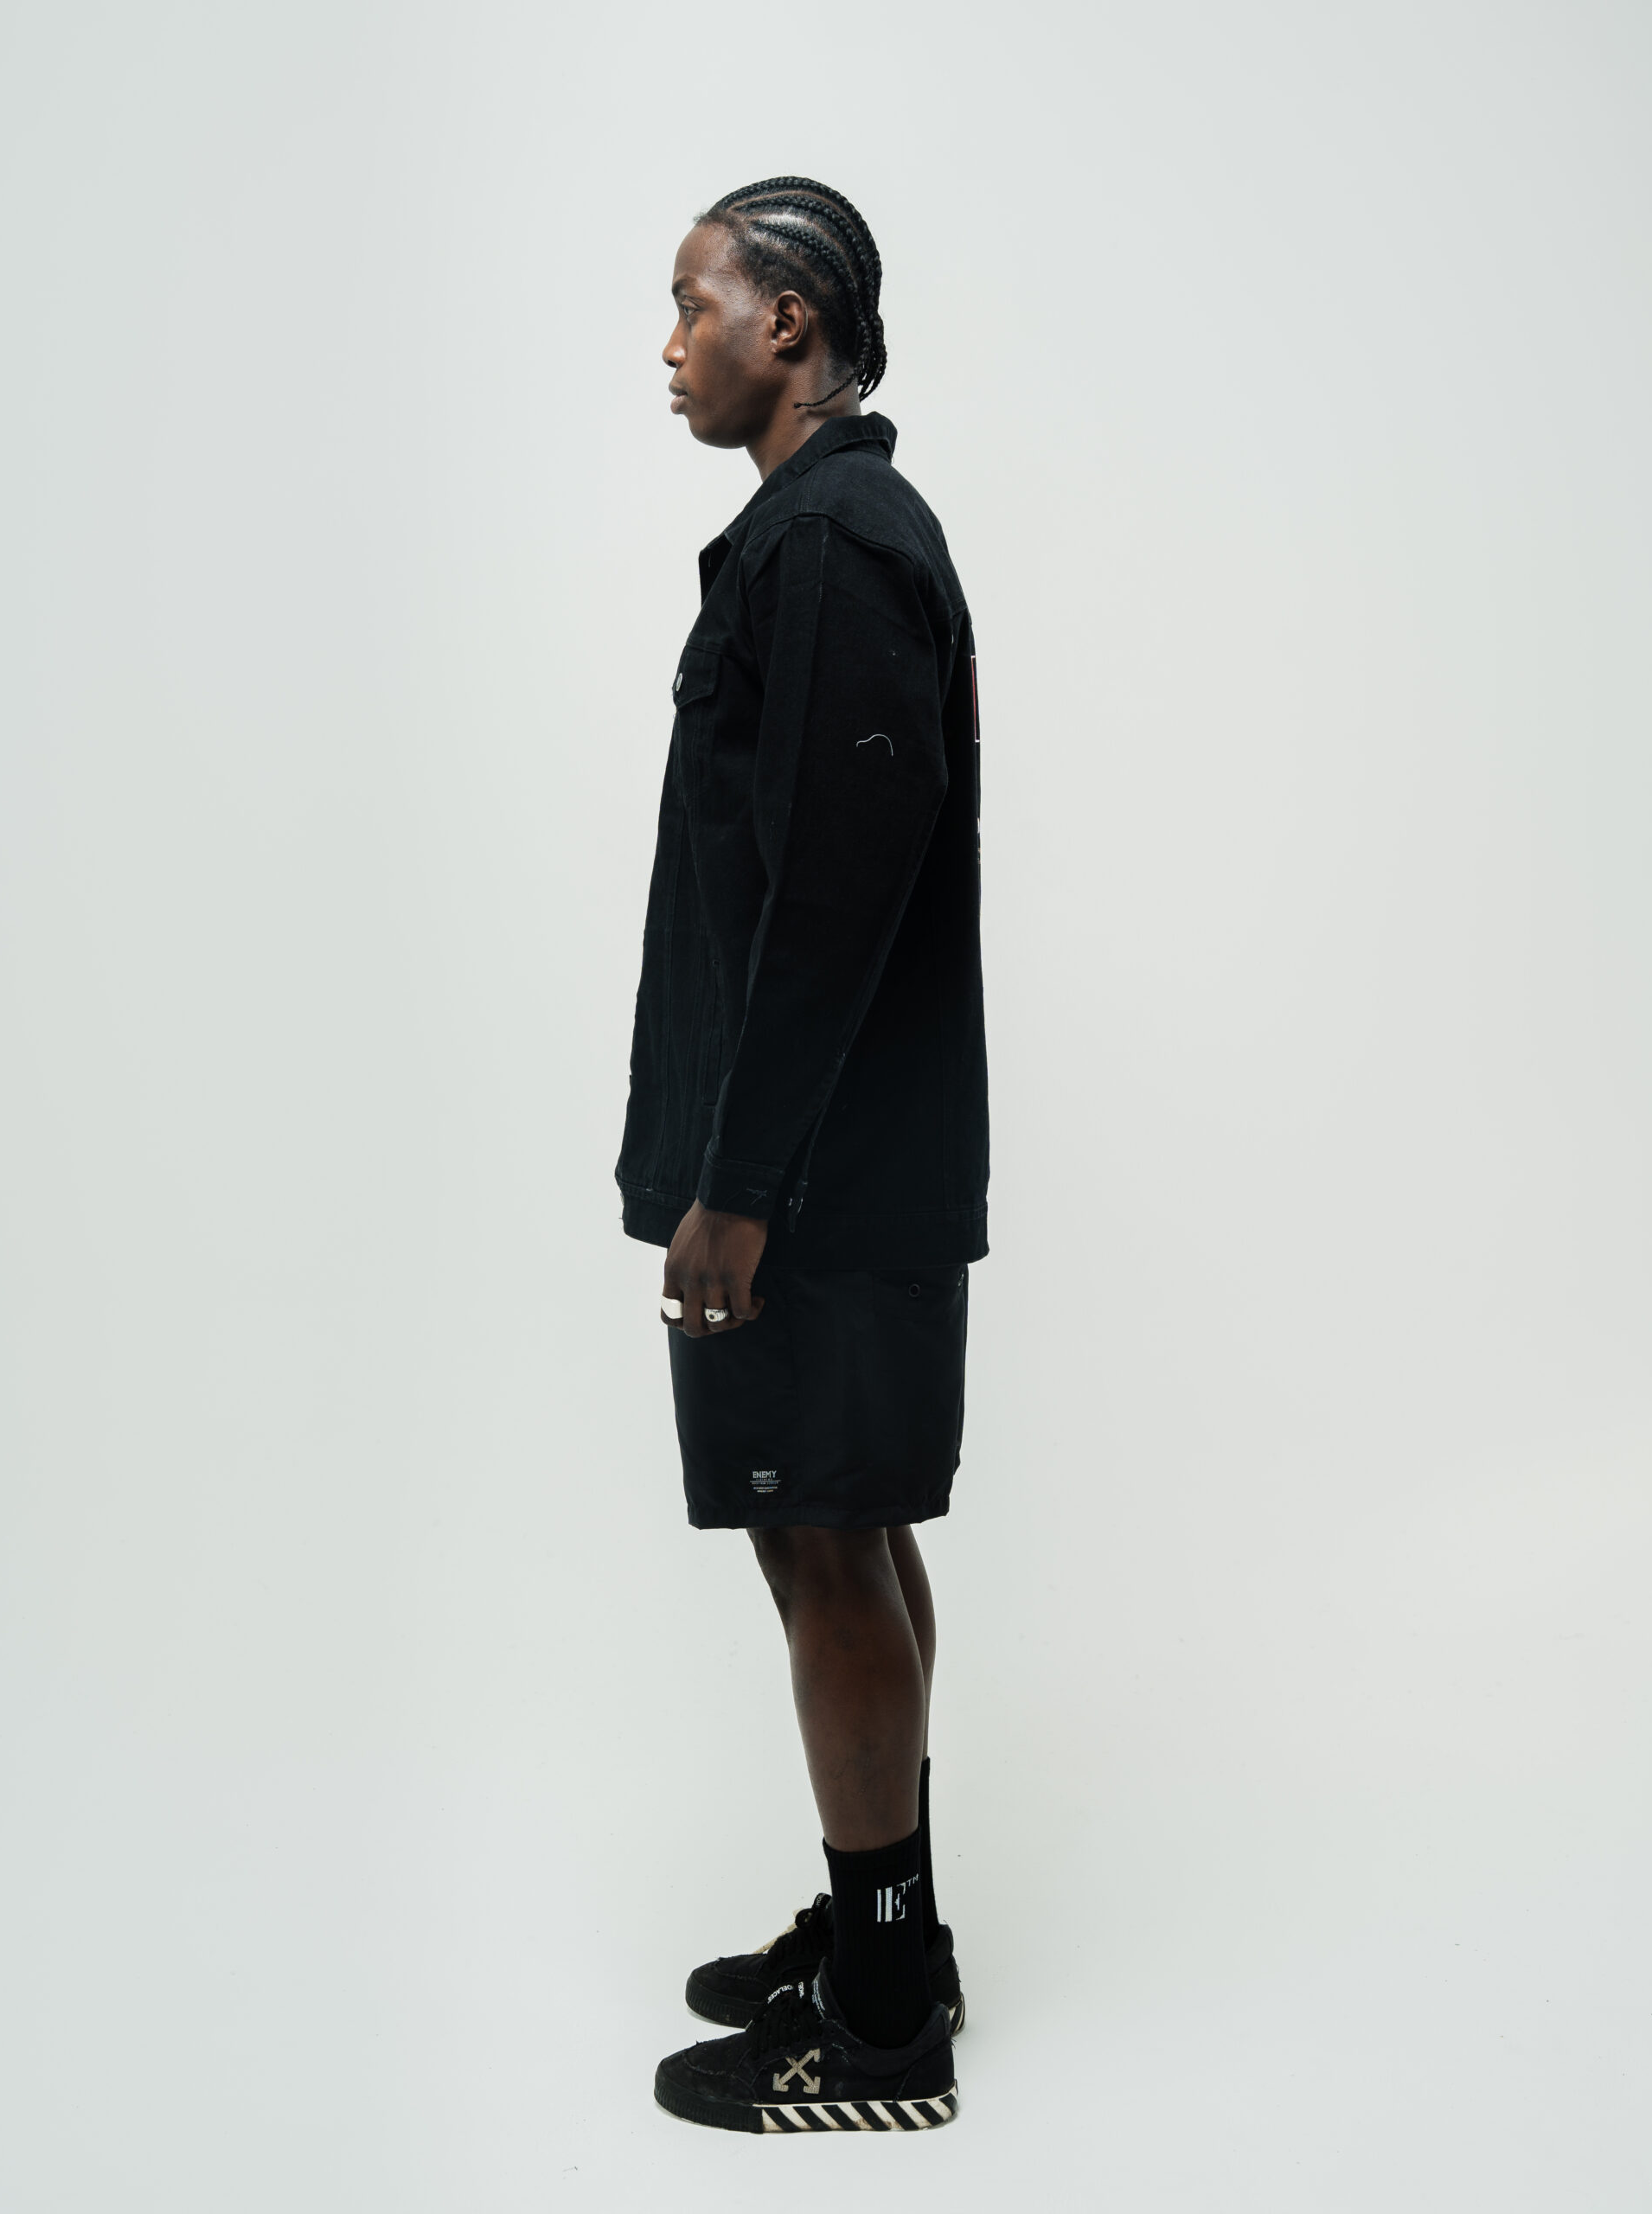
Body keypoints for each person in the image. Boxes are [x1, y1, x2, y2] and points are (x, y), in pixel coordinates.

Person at [616, 176, 989, 2135]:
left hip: (811, 1175)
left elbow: (837, 897)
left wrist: (739, 1184)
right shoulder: (814, 534)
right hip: (823, 1155)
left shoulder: (834, 543)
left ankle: (880, 2033)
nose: (669, 342)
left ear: (793, 324)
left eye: (695, 302)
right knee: (841, 1524)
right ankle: (884, 1935)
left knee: (828, 1536)